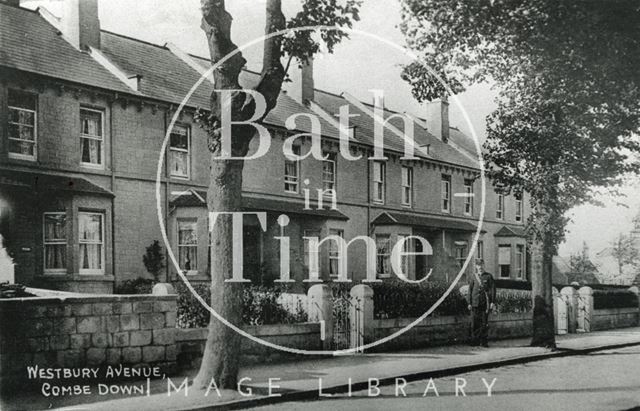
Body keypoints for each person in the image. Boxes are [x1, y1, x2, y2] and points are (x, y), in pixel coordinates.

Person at [467, 259, 496, 347]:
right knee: (474, 323)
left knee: (484, 323)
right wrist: (469, 302)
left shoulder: (488, 276)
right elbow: (470, 290)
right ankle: (475, 341)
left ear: (484, 265)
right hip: (475, 303)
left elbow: (492, 290)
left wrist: (492, 302)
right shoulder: (473, 277)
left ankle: (484, 342)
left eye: (481, 265)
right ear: (476, 266)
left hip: (485, 304)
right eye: (478, 265)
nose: (480, 267)